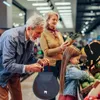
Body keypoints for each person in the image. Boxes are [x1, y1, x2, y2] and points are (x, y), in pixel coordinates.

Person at [0, 13, 49, 100]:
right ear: (29, 28)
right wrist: (28, 67)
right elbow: (7, 64)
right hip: (1, 73)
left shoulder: (30, 38)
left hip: (14, 73)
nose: (39, 36)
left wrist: (38, 61)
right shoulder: (11, 37)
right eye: (38, 33)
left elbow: (29, 57)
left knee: (18, 98)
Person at [40, 11, 70, 100]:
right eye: (53, 19)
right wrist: (60, 48)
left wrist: (67, 46)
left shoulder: (58, 33)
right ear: (47, 20)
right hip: (50, 64)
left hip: (61, 63)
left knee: (64, 86)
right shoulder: (43, 33)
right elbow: (46, 52)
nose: (55, 21)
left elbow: (62, 47)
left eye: (56, 20)